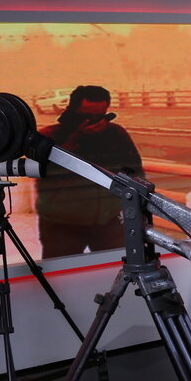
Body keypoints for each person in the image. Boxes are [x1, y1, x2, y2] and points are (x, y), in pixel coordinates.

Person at [34, 86, 142, 258]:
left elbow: (135, 172)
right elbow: (42, 169)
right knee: (61, 271)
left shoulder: (116, 134)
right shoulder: (50, 135)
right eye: (87, 116)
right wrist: (78, 138)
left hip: (109, 220)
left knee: (114, 268)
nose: (94, 121)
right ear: (73, 111)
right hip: (62, 223)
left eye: (99, 116)